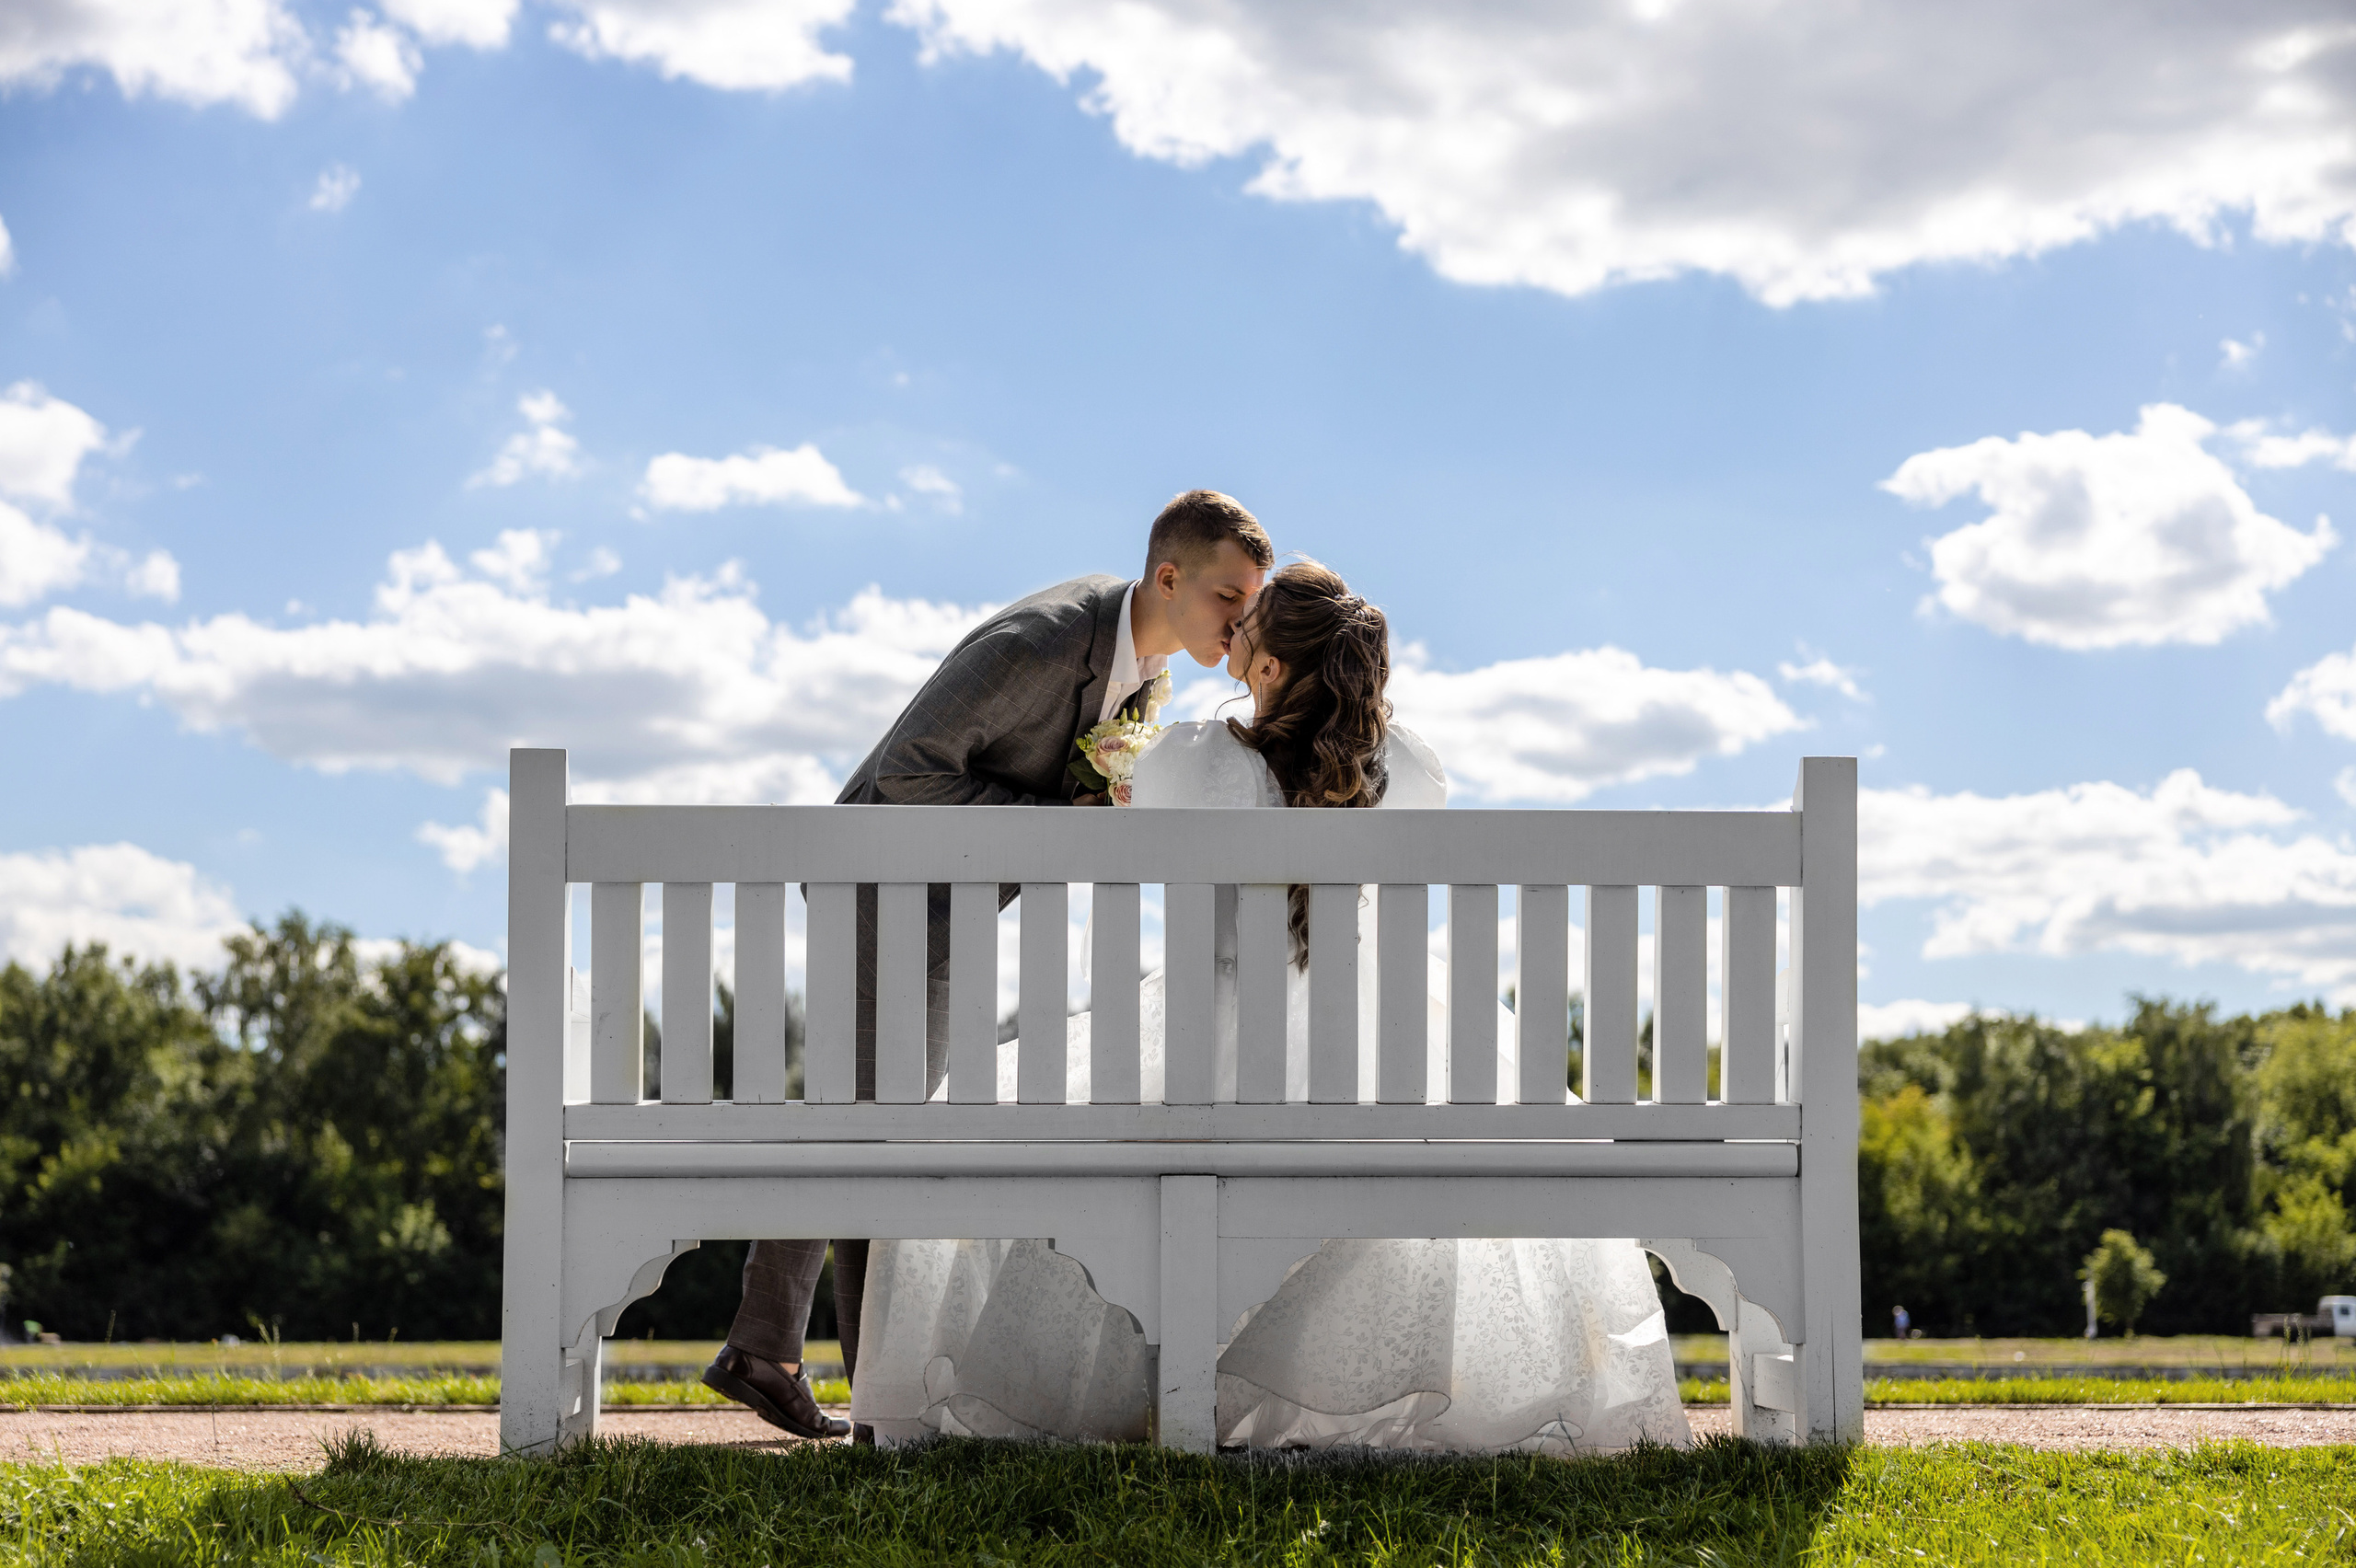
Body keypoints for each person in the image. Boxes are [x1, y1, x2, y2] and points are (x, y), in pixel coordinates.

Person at [849, 562, 1692, 1454]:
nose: (1234, 632)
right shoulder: (1406, 769)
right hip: (1378, 1053)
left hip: (1202, 1062)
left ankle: (1104, 1392)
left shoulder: (1193, 761)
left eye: (1249, 627)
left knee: (1053, 1125)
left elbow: (1141, 820)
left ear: (1269, 669)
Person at [698, 491, 1273, 1440]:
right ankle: (768, 1352)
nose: (1239, 620)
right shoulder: (1047, 642)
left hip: (942, 901)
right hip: (879, 883)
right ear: (1168, 577)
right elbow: (908, 775)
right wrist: (1066, 826)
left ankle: (828, 1370)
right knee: (864, 1123)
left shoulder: (1141, 667)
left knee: (879, 1122)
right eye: (1227, 596)